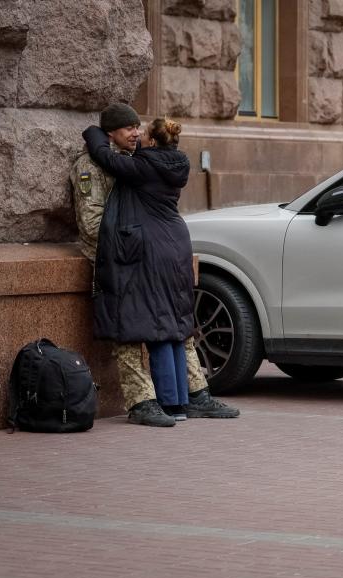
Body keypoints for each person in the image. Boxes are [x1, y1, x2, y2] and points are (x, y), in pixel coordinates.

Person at [70, 103, 238, 426]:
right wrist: (129, 245)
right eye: (128, 128)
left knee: (175, 325)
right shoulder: (91, 166)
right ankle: (145, 401)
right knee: (131, 333)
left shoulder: (138, 162)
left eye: (138, 128)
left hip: (147, 257)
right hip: (122, 259)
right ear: (110, 134)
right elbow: (92, 224)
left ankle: (191, 395)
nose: (135, 133)